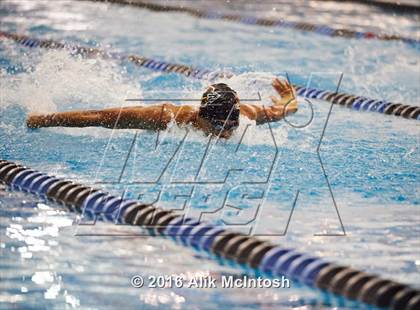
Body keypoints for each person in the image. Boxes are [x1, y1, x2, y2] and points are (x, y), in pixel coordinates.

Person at [26, 78, 298, 139]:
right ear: (201, 117)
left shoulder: (245, 115)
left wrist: (289, 98)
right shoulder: (165, 117)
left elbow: (285, 110)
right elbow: (96, 116)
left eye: (231, 125)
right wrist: (41, 119)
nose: (225, 133)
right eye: (218, 126)